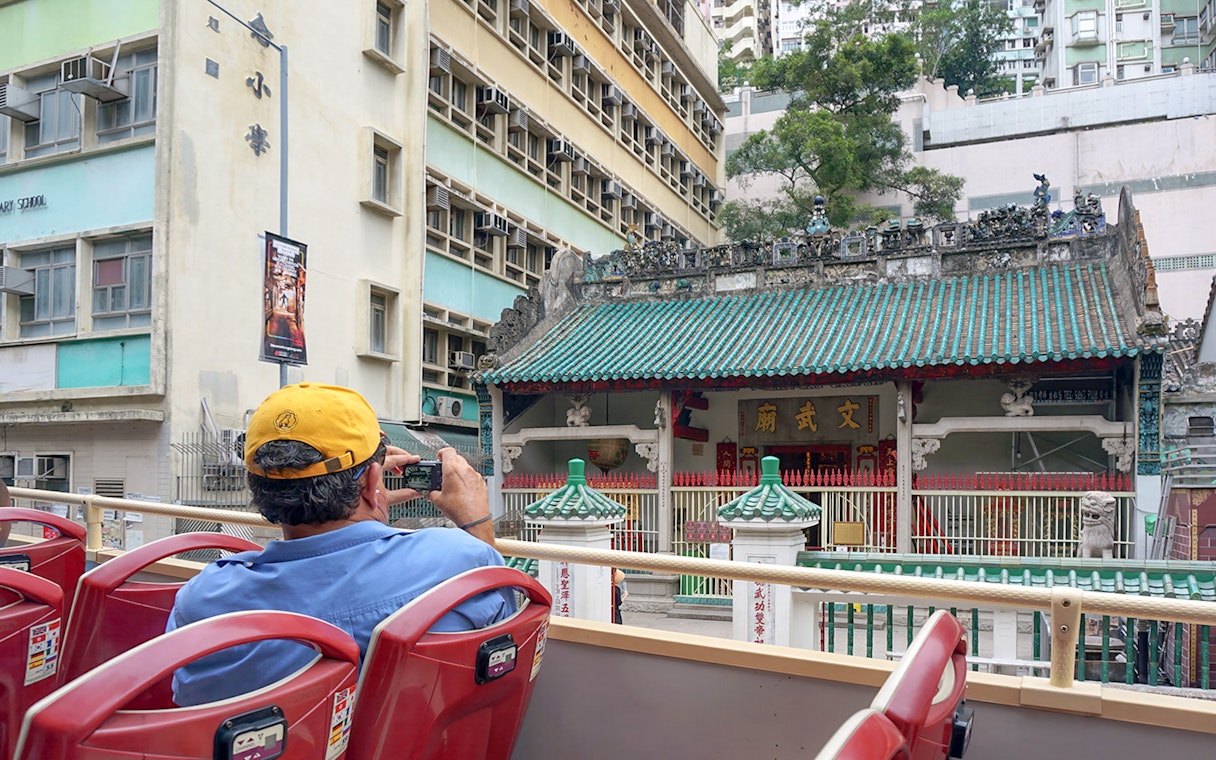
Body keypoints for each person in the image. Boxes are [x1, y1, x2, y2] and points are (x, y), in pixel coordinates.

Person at [167, 382, 515, 706]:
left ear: (260, 490)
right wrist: (477, 521)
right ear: (371, 480)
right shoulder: (459, 558)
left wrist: (366, 494)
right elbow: (503, 629)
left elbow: (187, 700)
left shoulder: (202, 601)